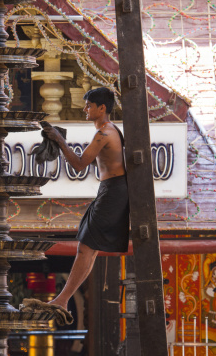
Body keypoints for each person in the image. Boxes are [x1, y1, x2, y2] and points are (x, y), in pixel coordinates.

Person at [42, 87, 129, 310]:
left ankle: (61, 300)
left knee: (86, 247)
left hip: (114, 190)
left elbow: (79, 165)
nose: (85, 109)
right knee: (88, 248)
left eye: (89, 105)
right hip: (110, 189)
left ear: (102, 108)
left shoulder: (105, 132)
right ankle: (62, 300)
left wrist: (60, 141)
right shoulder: (106, 130)